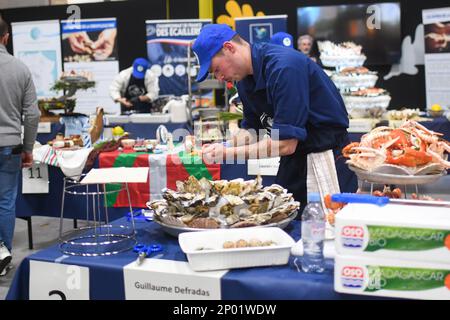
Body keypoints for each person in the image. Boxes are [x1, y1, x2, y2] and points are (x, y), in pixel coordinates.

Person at [195, 24, 357, 214]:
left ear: (229, 48)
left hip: (325, 157)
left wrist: (226, 155)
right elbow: (252, 131)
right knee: (284, 220)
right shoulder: (246, 80)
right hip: (293, 161)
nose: (220, 77)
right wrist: (223, 145)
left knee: (329, 227)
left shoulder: (284, 68)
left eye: (216, 69)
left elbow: (285, 144)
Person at [0, 17, 40, 276]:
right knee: (5, 202)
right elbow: (33, 114)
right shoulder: (20, 68)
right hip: (10, 146)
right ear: (6, 37)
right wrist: (28, 148)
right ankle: (3, 257)